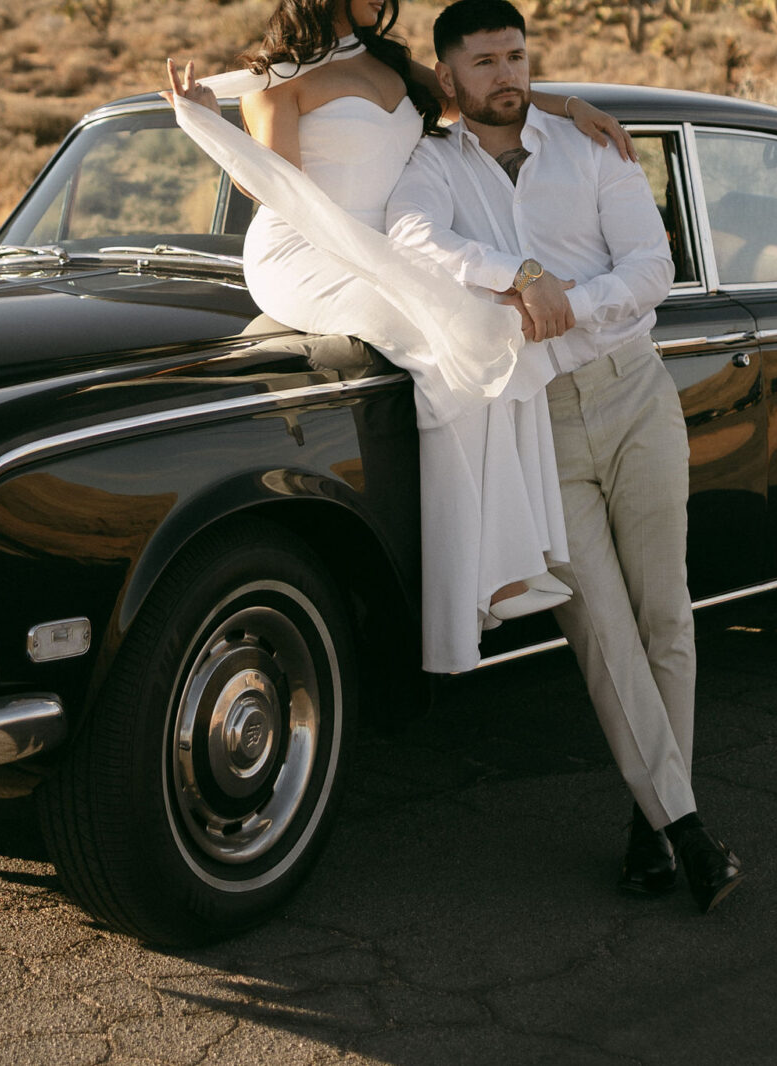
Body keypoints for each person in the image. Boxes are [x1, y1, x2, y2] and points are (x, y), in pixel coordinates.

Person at [386, 0, 744, 912]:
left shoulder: (592, 149)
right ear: (449, 78)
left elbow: (650, 271)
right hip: (533, 422)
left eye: (516, 54)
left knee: (667, 615)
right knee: (600, 631)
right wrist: (520, 276)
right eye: (484, 61)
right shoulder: (429, 165)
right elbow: (413, 240)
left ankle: (653, 817)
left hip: (632, 393)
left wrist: (567, 307)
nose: (506, 73)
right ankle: (688, 829)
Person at [162, 0, 636, 674]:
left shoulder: (389, 61)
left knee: (502, 332)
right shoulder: (277, 77)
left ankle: (513, 556)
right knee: (450, 347)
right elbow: (273, 184)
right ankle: (472, 588)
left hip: (388, 251)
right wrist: (210, 121)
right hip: (304, 251)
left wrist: (570, 108)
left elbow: (478, 95)